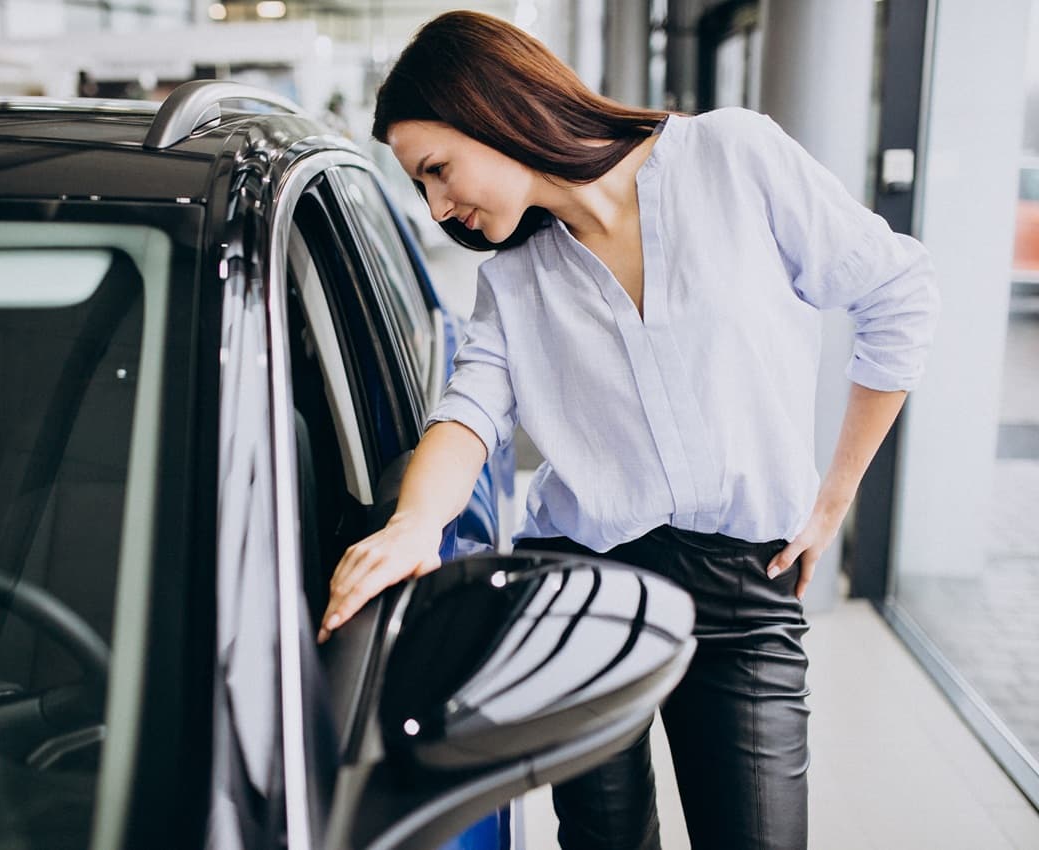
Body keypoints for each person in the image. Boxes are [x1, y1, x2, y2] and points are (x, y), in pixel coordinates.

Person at [317, 10, 939, 850]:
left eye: (437, 170)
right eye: (422, 188)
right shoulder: (514, 279)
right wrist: (414, 524)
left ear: (493, 112)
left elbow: (898, 294)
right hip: (579, 592)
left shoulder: (734, 159)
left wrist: (834, 500)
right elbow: (469, 414)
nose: (437, 204)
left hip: (743, 593)